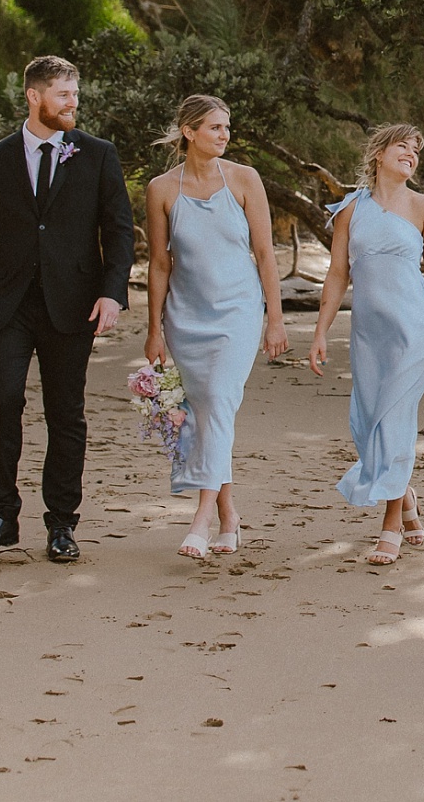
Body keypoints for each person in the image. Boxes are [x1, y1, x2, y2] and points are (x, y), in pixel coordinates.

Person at [0, 55, 135, 563]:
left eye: (75, 94)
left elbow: (117, 230)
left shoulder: (98, 155)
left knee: (65, 413)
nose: (72, 103)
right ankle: (0, 517)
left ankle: (61, 523)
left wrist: (110, 292)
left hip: (72, 305)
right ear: (34, 97)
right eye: (62, 94)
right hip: (5, 306)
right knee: (3, 405)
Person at [141, 95, 290, 559]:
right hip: (186, 315)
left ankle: (201, 519)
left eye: (227, 128)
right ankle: (229, 516)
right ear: (188, 132)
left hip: (238, 311)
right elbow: (160, 264)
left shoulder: (245, 180)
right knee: (206, 412)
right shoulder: (161, 188)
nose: (224, 136)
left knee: (219, 403)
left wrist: (275, 320)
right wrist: (154, 328)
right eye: (214, 128)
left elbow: (266, 255)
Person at [310, 124, 424, 565]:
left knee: (395, 420)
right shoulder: (350, 210)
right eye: (403, 147)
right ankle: (407, 495)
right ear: (378, 153)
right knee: (368, 424)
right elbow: (339, 274)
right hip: (368, 335)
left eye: (417, 150)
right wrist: (321, 331)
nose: (412, 155)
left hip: (413, 329)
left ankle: (391, 523)